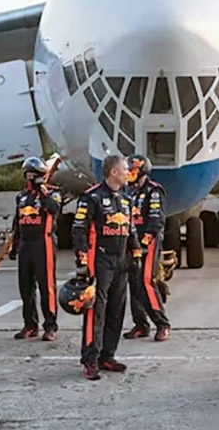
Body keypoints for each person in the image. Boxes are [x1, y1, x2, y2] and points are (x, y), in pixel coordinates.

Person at [72, 154, 141, 381]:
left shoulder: (125, 199)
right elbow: (79, 229)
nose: (128, 172)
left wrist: (137, 252)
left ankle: (107, 355)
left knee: (116, 311)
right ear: (113, 172)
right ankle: (90, 360)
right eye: (124, 169)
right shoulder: (91, 197)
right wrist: (82, 261)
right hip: (99, 262)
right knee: (96, 311)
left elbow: (130, 229)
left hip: (121, 261)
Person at [11, 156, 62, 342]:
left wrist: (43, 192)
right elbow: (17, 222)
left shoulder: (53, 193)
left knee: (46, 285)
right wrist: (15, 243)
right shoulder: (22, 196)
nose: (31, 179)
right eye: (28, 175)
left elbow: (55, 209)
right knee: (25, 286)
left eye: (35, 176)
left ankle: (50, 326)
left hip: (44, 243)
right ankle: (29, 324)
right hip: (26, 243)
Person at [123, 155, 171, 342]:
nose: (128, 174)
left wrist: (144, 242)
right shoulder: (128, 192)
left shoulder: (154, 191)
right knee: (134, 283)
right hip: (132, 243)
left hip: (148, 242)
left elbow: (157, 220)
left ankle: (162, 323)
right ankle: (141, 324)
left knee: (146, 281)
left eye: (131, 170)